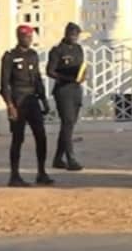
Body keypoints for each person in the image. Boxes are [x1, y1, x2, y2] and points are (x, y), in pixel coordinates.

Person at [0, 25, 53, 187]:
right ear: (19, 37)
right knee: (18, 138)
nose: (29, 40)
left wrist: (44, 100)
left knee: (41, 136)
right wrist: (10, 105)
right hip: (18, 100)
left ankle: (41, 172)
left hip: (32, 100)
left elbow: (37, 79)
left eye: (30, 37)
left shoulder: (33, 55)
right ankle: (14, 175)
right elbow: (4, 84)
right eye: (26, 37)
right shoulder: (10, 57)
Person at [47, 22, 85, 171]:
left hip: (76, 89)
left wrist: (82, 75)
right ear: (66, 33)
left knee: (69, 124)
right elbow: (50, 71)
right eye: (72, 34)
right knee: (67, 122)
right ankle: (71, 159)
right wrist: (65, 77)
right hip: (63, 90)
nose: (74, 37)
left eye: (77, 35)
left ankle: (58, 158)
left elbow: (81, 67)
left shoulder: (78, 49)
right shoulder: (57, 50)